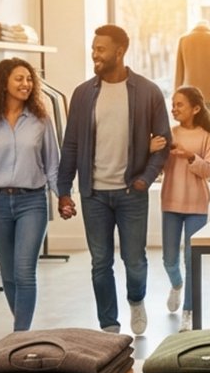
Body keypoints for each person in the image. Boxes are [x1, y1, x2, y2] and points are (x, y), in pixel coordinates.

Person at [57, 24, 171, 336]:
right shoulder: (83, 94)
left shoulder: (147, 92)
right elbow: (71, 144)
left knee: (134, 261)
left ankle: (136, 300)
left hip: (132, 192)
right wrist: (64, 190)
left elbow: (164, 142)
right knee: (100, 263)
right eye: (93, 48)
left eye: (101, 49)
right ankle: (109, 324)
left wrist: (145, 179)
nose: (94, 54)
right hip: (93, 194)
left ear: (119, 52)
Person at [0, 57, 60, 331]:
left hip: (32, 201)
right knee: (8, 275)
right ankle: (22, 330)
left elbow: (52, 165)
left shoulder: (41, 120)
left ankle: (20, 335)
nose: (26, 84)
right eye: (19, 79)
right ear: (3, 83)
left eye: (29, 79)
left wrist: (64, 197)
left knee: (24, 272)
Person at [152, 85, 210, 332]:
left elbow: (209, 171)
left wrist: (190, 156)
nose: (174, 108)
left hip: (197, 205)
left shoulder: (206, 137)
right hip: (171, 202)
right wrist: (152, 150)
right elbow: (157, 167)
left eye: (179, 104)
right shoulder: (168, 135)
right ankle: (176, 284)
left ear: (196, 108)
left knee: (192, 260)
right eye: (173, 104)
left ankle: (189, 311)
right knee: (169, 260)